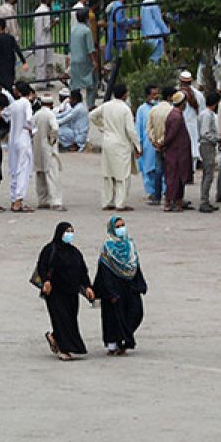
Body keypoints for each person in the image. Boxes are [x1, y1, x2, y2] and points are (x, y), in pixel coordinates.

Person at [38, 222, 95, 361]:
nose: (70, 234)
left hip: (71, 292)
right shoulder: (50, 249)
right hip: (55, 292)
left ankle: (55, 338)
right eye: (67, 231)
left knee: (70, 319)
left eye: (72, 231)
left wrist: (87, 286)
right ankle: (63, 349)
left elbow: (82, 270)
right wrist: (46, 281)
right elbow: (42, 266)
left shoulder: (74, 252)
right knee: (60, 318)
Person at [94, 216, 147, 355]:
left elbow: (135, 266)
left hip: (130, 286)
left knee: (135, 313)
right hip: (114, 288)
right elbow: (104, 270)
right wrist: (109, 292)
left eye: (122, 225)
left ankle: (124, 338)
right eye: (117, 227)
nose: (121, 229)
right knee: (113, 317)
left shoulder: (130, 245)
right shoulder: (108, 248)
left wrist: (140, 285)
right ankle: (114, 344)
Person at [88, 83, 141, 211]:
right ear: (125, 94)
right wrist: (138, 146)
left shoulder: (107, 105)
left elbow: (91, 115)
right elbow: (131, 130)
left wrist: (103, 126)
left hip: (107, 143)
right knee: (122, 175)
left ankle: (107, 202)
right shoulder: (125, 109)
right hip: (121, 145)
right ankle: (120, 203)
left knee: (108, 173)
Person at [5, 82, 36, 212]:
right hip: (24, 136)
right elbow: (30, 119)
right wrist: (32, 130)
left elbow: (5, 115)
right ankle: (18, 201)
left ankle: (14, 199)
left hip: (13, 138)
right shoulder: (26, 103)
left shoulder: (14, 105)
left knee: (14, 168)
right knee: (23, 169)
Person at [160, 91, 193, 212]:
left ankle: (177, 201)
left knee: (178, 178)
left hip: (179, 151)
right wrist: (163, 144)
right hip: (176, 153)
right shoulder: (176, 117)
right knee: (174, 178)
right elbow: (171, 135)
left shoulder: (175, 114)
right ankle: (169, 202)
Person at [135, 85, 162, 202]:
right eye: (153, 94)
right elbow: (138, 128)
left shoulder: (161, 107)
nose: (155, 97)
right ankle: (151, 191)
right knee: (148, 169)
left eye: (157, 94)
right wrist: (138, 145)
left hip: (160, 142)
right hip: (147, 144)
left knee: (160, 169)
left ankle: (162, 191)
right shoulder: (142, 110)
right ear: (147, 96)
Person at [197, 91, 221, 213]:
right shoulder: (207, 115)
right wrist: (217, 138)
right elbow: (204, 132)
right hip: (207, 145)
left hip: (207, 144)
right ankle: (204, 201)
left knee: (208, 173)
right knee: (208, 174)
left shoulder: (206, 114)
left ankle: (205, 200)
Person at [0, 18, 27, 93]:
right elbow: (17, 49)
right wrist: (24, 62)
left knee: (4, 83)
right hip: (11, 63)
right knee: (10, 81)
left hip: (2, 65)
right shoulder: (10, 37)